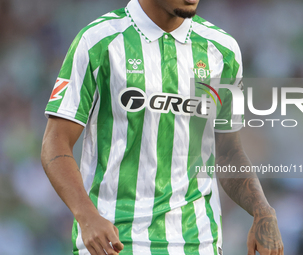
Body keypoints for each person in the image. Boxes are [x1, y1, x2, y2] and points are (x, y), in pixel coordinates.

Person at [41, 0, 284, 254]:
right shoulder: (98, 41)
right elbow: (55, 142)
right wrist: (86, 216)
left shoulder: (222, 50)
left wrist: (263, 211)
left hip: (197, 243)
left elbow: (228, 151)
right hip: (114, 242)